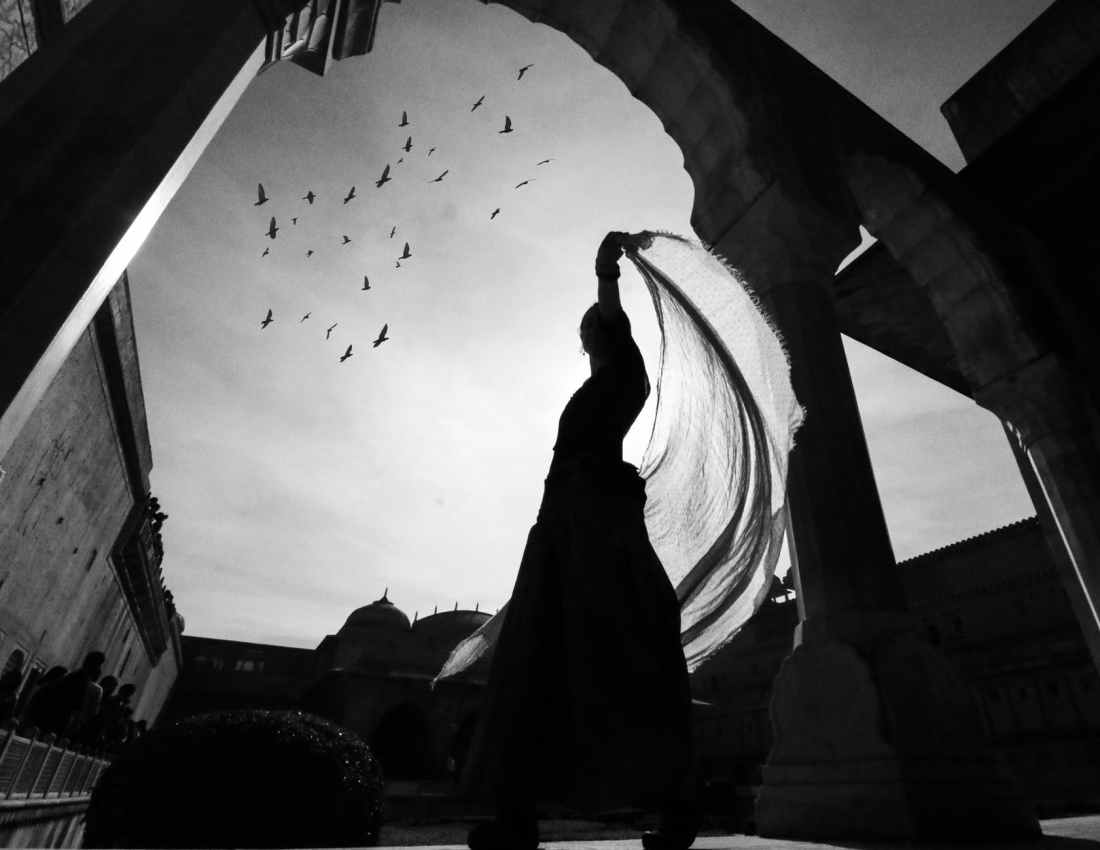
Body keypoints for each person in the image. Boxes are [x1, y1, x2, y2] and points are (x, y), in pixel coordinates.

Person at [464, 233, 699, 850]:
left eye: (593, 336)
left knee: (611, 646)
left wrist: (606, 275)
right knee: (539, 656)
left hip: (595, 522)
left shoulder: (621, 379)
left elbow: (614, 322)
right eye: (588, 339)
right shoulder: (595, 387)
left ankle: (674, 803)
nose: (588, 344)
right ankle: (518, 814)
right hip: (562, 524)